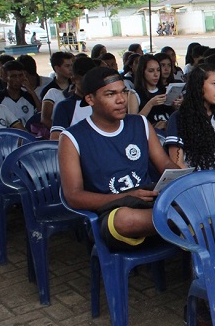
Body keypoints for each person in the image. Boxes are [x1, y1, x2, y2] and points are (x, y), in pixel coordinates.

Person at [59, 66, 179, 251]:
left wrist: (187, 179)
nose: (121, 99)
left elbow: (164, 164)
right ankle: (186, 220)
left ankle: (183, 218)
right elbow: (73, 196)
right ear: (90, 99)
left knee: (195, 194)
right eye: (110, 94)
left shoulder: (139, 123)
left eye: (123, 91)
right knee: (124, 220)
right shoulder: (72, 138)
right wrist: (126, 196)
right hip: (112, 210)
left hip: (148, 201)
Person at [50, 57, 98, 140]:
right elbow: (56, 139)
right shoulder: (65, 107)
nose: (88, 84)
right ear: (73, 80)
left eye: (92, 80)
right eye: (83, 81)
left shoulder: (104, 102)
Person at [0, 61, 41, 125]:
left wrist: (32, 92)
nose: (18, 79)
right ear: (5, 78)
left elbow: (41, 115)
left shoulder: (29, 97)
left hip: (30, 133)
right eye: (13, 76)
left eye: (20, 75)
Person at [135, 54, 175, 131]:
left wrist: (176, 106)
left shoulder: (165, 90)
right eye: (151, 71)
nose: (156, 74)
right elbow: (133, 123)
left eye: (158, 70)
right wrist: (150, 104)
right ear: (142, 72)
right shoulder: (135, 94)